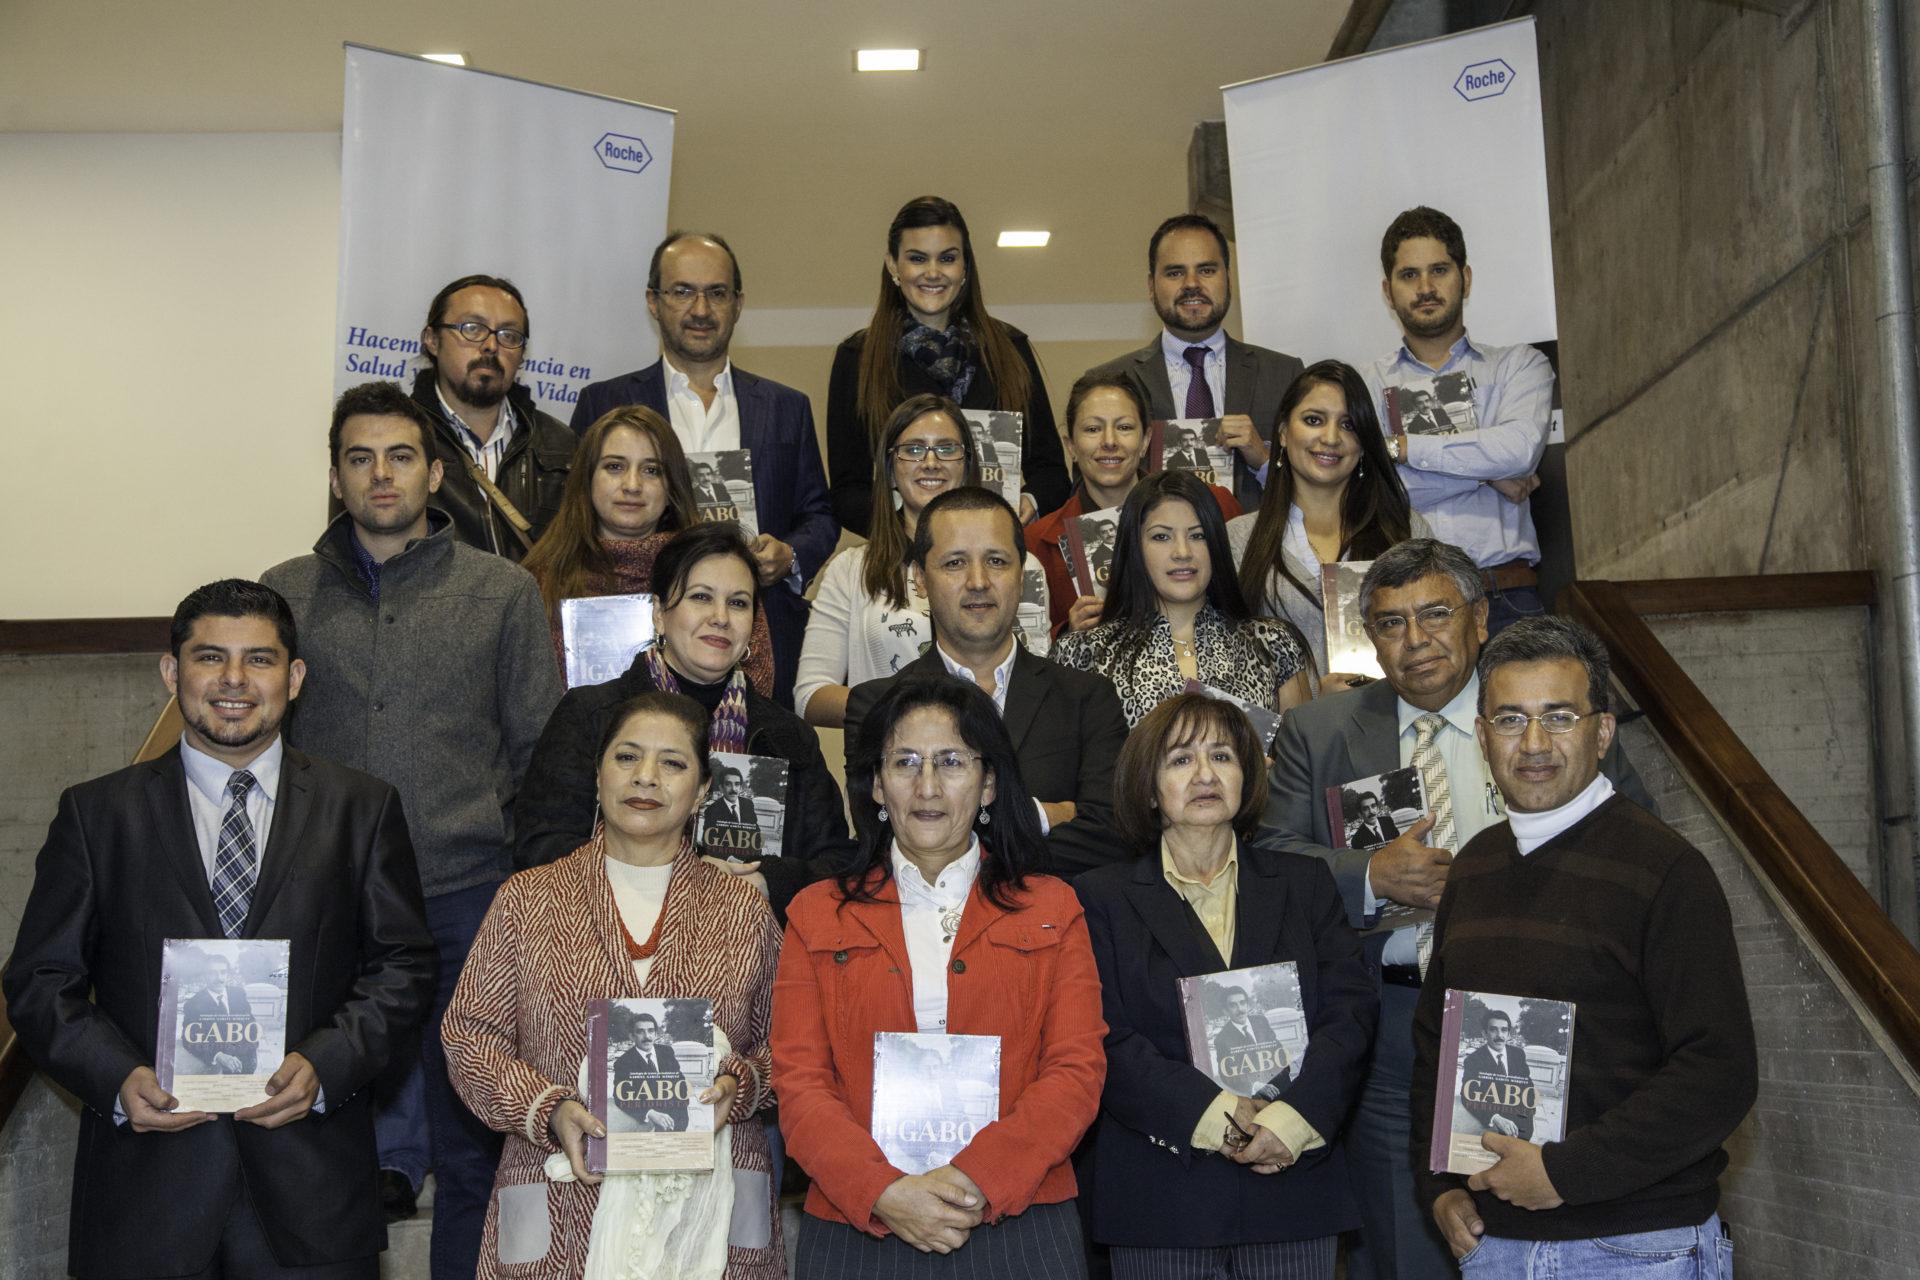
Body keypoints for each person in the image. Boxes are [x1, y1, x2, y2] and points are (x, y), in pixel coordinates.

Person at [5, 579, 435, 1280]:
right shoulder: (97, 816)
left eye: (260, 661)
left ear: (293, 679)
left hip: (312, 1189)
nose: (235, 681)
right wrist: (117, 1081)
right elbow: (39, 982)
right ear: (173, 671)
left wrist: (328, 1064)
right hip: (147, 1194)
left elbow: (403, 966)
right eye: (211, 658)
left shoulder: (361, 809)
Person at [1258, 538, 1653, 1280]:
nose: (1415, 641)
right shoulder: (1322, 731)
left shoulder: (1543, 712)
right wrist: (1369, 871)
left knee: (1550, 1241)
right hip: (1393, 1032)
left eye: (1435, 614)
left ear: (1479, 618)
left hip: (1551, 1023)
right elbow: (1270, 863)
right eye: (1389, 623)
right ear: (1368, 637)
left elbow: (1634, 837)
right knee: (1411, 1248)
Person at [262, 380, 564, 1270]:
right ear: (335, 475)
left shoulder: (502, 592)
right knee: (317, 1132)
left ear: (436, 473)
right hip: (323, 901)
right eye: (360, 458)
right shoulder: (285, 594)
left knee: (472, 1141)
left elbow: (537, 746)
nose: (380, 475)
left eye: (400, 457)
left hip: (465, 900)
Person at [1411, 617, 1755, 1278]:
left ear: (1602, 731)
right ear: (1482, 737)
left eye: (1559, 717)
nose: (1534, 743)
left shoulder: (1667, 871)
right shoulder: (1474, 869)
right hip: (1497, 1246)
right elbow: (1436, 1046)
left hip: (1637, 1246)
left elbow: (1719, 1070)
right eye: (1510, 719)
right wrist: (1440, 1185)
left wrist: (1561, 1173)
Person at [443, 691, 785, 1279]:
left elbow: (798, 1044)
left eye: (673, 763)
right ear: (598, 773)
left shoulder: (744, 910)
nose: (646, 777)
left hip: (708, 1205)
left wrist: (743, 1084)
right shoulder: (529, 899)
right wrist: (547, 1109)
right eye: (626, 757)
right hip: (562, 1199)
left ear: (704, 789)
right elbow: (468, 1038)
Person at [773, 673, 1106, 1275]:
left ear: (989, 784)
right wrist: (883, 1191)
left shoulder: (1052, 907)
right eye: (905, 763)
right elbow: (799, 1083)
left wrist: (979, 1177)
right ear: (876, 785)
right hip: (862, 1228)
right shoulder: (816, 912)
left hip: (1019, 1223)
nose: (927, 787)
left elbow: (1076, 1070)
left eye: (951, 762)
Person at [1073, 693, 1376, 1278]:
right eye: (1181, 759)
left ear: (1249, 776)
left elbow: (1351, 1013)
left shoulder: (1305, 882)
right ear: (1147, 785)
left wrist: (1289, 1122)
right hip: (1164, 1194)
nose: (1206, 774)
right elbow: (1103, 1036)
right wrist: (1220, 1115)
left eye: (1223, 756)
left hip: (1291, 1182)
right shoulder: (1097, 898)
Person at [515, 522, 855, 922]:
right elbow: (540, 849)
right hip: (608, 938)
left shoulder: (784, 734)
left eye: (738, 603)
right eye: (700, 597)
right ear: (659, 613)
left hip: (753, 950)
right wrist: (665, 877)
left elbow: (836, 863)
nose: (720, 617)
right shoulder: (592, 715)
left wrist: (767, 882)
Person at [571, 232, 839, 706]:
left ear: (738, 304)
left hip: (757, 637)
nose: (700, 309)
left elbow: (819, 514)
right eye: (682, 291)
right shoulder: (604, 402)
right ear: (653, 302)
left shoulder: (785, 407)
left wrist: (790, 556)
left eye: (716, 293)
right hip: (637, 633)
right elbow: (574, 515)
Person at [847, 486, 1130, 877]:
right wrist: (1043, 815)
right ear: (920, 579)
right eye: (954, 564)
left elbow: (1110, 836)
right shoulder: (876, 705)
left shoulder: (1087, 698)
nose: (978, 581)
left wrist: (958, 845)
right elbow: (882, 841)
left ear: (1022, 573)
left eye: (996, 561)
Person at [796, 393, 1048, 727]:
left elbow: (1040, 685)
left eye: (947, 448)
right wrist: (907, 708)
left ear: (968, 464)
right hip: (892, 760)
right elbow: (810, 697)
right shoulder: (850, 570)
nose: (931, 461)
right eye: (913, 449)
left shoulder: (1022, 565)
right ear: (889, 468)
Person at [825, 195, 1070, 534]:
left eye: (948, 258)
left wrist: (1030, 500)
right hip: (901, 560)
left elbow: (1051, 472)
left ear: (965, 266)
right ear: (893, 266)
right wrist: (907, 530)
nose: (933, 272)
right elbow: (847, 492)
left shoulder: (1010, 350)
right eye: (917, 258)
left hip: (994, 550)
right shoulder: (857, 359)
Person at [1369, 208, 1554, 635]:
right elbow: (1376, 490)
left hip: (1505, 593)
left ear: (1465, 278)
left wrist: (1401, 448)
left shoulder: (1518, 366)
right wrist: (1488, 475)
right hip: (1409, 605)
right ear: (1387, 290)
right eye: (1409, 275)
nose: (1426, 288)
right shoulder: (1366, 383)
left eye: (1439, 270)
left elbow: (1519, 450)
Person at [521, 404, 776, 696]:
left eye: (651, 470)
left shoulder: (721, 570)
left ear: (672, 486)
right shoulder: (538, 579)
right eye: (615, 466)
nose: (632, 485)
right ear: (586, 479)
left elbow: (756, 684)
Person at [1228, 360, 1431, 691]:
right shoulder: (1237, 540)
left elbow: (1435, 645)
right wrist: (1311, 710)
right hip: (1285, 738)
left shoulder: (1407, 531)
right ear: (1282, 432)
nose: (1331, 437)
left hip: (1393, 730)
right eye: (1313, 420)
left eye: (1349, 425)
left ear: (1364, 444)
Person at [1050, 470, 1311, 727]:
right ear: (1134, 547)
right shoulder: (1082, 654)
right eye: (1161, 537)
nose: (1183, 552)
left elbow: (1300, 764)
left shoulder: (1272, 644)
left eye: (1198, 535)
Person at [1090, 213, 1305, 511]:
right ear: (1151, 286)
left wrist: (1262, 459)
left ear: (1227, 279)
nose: (1192, 284)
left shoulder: (1284, 374)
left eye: (1206, 270)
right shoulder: (1108, 381)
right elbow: (1087, 496)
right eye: (1175, 273)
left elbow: (1317, 489)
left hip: (1256, 551)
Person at [1028, 370, 1240, 634]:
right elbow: (1028, 648)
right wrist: (1067, 632)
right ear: (1070, 446)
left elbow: (1242, 602)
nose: (1109, 442)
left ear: (1146, 441)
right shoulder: (1037, 542)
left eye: (1124, 427)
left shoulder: (1214, 505)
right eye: (1092, 429)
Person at [390, 273, 577, 560]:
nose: (491, 346)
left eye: (508, 335)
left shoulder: (560, 444)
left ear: (522, 355)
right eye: (472, 328)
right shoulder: (396, 439)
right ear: (432, 340)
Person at [1457, 1011, 1533, 1141]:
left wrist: (1527, 1117)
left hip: (1522, 1129)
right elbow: (1467, 1096)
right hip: (1494, 1130)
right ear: (1484, 1033)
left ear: (1509, 1034)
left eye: (1504, 1030)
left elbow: (1528, 1088)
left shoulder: (1518, 1054)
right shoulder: (1473, 1060)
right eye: (1493, 1030)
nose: (1500, 1035)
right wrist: (1495, 1118)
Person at [610, 1013, 691, 1132]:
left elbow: (680, 1081)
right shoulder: (623, 1063)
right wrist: (650, 1113)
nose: (647, 1036)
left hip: (678, 1120)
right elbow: (620, 1097)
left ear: (656, 1034)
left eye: (651, 1031)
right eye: (640, 1031)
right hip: (649, 1125)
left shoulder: (667, 1052)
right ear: (632, 1036)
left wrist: (681, 1106)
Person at [179, 956, 259, 1075]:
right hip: (217, 1069)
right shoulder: (193, 1004)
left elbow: (251, 1026)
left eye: (223, 972)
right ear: (204, 975)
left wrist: (245, 1054)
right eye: (213, 973)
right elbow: (189, 1039)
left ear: (228, 974)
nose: (219, 978)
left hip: (246, 1063)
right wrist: (218, 1055)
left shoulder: (238, 994)